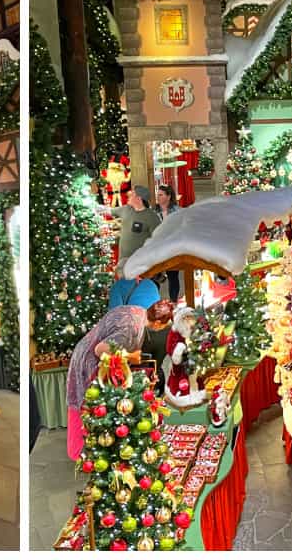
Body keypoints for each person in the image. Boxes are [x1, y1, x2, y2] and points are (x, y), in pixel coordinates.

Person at [65, 299, 174, 459]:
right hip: (89, 364)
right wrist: (131, 356)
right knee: (84, 405)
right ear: (157, 323)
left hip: (90, 357)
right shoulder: (131, 329)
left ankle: (93, 449)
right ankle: (80, 453)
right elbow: (100, 350)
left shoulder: (138, 310)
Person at [110, 185, 161, 279]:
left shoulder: (152, 217)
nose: (128, 196)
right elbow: (108, 211)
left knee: (141, 290)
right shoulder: (126, 209)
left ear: (139, 198)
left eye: (132, 194)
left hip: (140, 265)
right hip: (123, 263)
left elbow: (158, 240)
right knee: (125, 288)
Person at [153, 185, 181, 301]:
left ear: (168, 197)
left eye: (161, 195)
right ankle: (154, 303)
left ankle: (173, 302)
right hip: (156, 248)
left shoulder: (177, 211)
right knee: (154, 277)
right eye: (157, 194)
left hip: (172, 248)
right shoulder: (153, 211)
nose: (158, 197)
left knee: (173, 276)